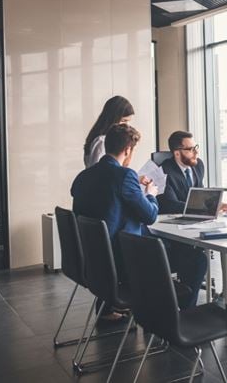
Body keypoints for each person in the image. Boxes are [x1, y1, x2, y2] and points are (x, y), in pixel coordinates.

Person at [71, 124, 206, 316]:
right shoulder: (125, 175)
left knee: (171, 247)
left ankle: (116, 309)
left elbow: (106, 204)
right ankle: (182, 317)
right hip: (125, 259)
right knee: (196, 259)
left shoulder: (83, 176)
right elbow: (150, 216)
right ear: (127, 150)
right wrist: (150, 194)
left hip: (94, 259)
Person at [157, 131, 227, 307]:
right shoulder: (164, 171)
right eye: (191, 149)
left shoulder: (198, 166)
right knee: (194, 258)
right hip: (175, 223)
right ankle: (185, 306)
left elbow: (200, 194)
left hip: (199, 218)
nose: (196, 153)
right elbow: (170, 203)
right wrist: (205, 207)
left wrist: (215, 203)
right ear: (177, 153)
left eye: (195, 147)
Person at [83, 96, 134, 168]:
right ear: (112, 119)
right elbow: (97, 175)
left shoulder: (110, 139)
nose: (127, 125)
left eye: (128, 121)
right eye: (123, 121)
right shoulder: (101, 141)